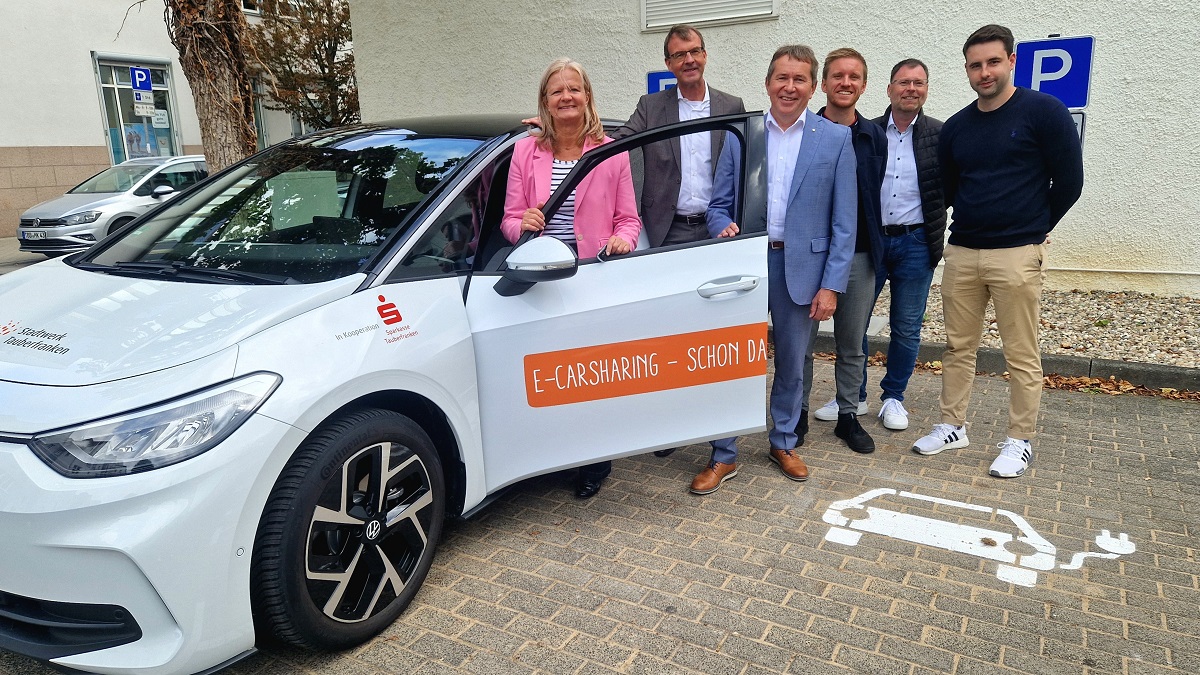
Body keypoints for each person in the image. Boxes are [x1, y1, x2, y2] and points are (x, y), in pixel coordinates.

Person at [912, 24, 1083, 478]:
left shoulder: (1044, 112)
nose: (984, 72)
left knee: (1020, 353)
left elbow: (1070, 182)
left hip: (1017, 253)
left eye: (992, 62)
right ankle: (952, 426)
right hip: (964, 251)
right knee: (957, 347)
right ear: (967, 69)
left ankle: (1019, 440)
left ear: (1011, 61)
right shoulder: (957, 127)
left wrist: (1036, 227)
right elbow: (950, 188)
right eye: (975, 65)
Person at [694, 45, 856, 494]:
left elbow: (845, 223)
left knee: (791, 363)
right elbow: (718, 204)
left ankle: (783, 441)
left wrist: (832, 285)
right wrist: (721, 224)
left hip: (802, 268)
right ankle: (724, 453)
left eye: (799, 79)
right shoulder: (743, 135)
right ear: (767, 83)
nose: (789, 87)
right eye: (782, 78)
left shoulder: (835, 139)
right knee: (733, 362)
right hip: (745, 266)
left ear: (813, 86)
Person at [501, 57, 643, 498]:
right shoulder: (525, 151)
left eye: (574, 89)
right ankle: (551, 455)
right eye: (557, 90)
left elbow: (629, 220)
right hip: (541, 278)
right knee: (550, 376)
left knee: (591, 375)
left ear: (587, 96)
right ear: (545, 101)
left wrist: (623, 240)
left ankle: (594, 461)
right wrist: (522, 223)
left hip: (592, 276)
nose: (566, 97)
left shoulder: (610, 151)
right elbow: (509, 221)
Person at [609, 23, 745, 459]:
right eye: (679, 54)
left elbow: (744, 166)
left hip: (718, 231)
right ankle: (671, 425)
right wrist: (558, 129)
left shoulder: (730, 106)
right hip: (669, 231)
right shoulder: (652, 106)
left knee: (715, 334)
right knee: (670, 333)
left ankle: (718, 429)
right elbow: (615, 143)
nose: (689, 60)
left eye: (695, 51)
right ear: (668, 63)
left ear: (705, 55)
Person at [802, 48, 886, 454]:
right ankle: (796, 412)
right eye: (837, 75)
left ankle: (848, 416)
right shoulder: (805, 132)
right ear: (824, 83)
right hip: (810, 255)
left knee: (852, 343)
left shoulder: (874, 136)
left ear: (864, 85)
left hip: (860, 255)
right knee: (801, 344)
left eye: (854, 77)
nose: (845, 83)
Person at [857, 58, 947, 432]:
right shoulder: (867, 131)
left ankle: (893, 397)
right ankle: (854, 394)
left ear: (926, 89)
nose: (911, 89)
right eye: (904, 82)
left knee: (907, 327)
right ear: (890, 89)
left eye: (918, 83)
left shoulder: (940, 135)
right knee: (855, 323)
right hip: (871, 241)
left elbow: (952, 186)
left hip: (916, 241)